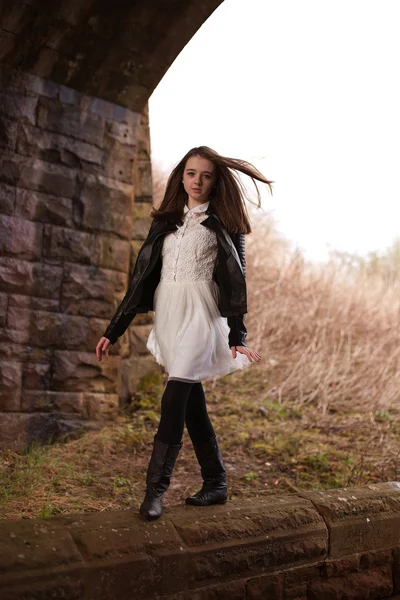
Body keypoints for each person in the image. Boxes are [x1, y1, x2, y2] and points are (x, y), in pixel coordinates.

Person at [95, 146, 272, 521]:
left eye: (206, 175)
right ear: (181, 176)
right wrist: (115, 329)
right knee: (192, 402)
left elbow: (237, 281)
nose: (197, 181)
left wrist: (237, 333)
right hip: (170, 315)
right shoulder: (166, 221)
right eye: (191, 173)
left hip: (202, 314)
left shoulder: (225, 223)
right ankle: (216, 481)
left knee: (174, 397)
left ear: (215, 181)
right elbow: (141, 277)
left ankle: (155, 491)